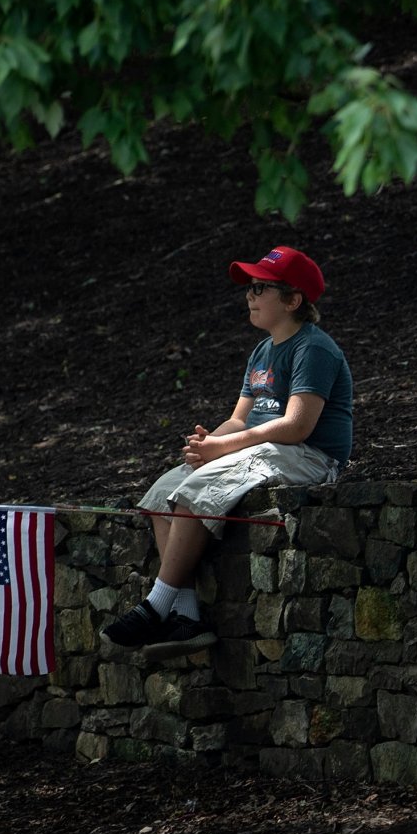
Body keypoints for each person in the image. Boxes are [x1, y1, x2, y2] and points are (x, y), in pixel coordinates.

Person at [101, 245, 355, 656]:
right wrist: (208, 445)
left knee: (200, 487)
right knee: (164, 490)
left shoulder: (314, 348)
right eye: (250, 289)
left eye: (260, 288)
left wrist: (225, 449)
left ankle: (155, 607)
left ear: (292, 300)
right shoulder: (261, 351)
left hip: (307, 454)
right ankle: (187, 619)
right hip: (264, 448)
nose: (249, 296)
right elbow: (240, 420)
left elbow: (297, 425)